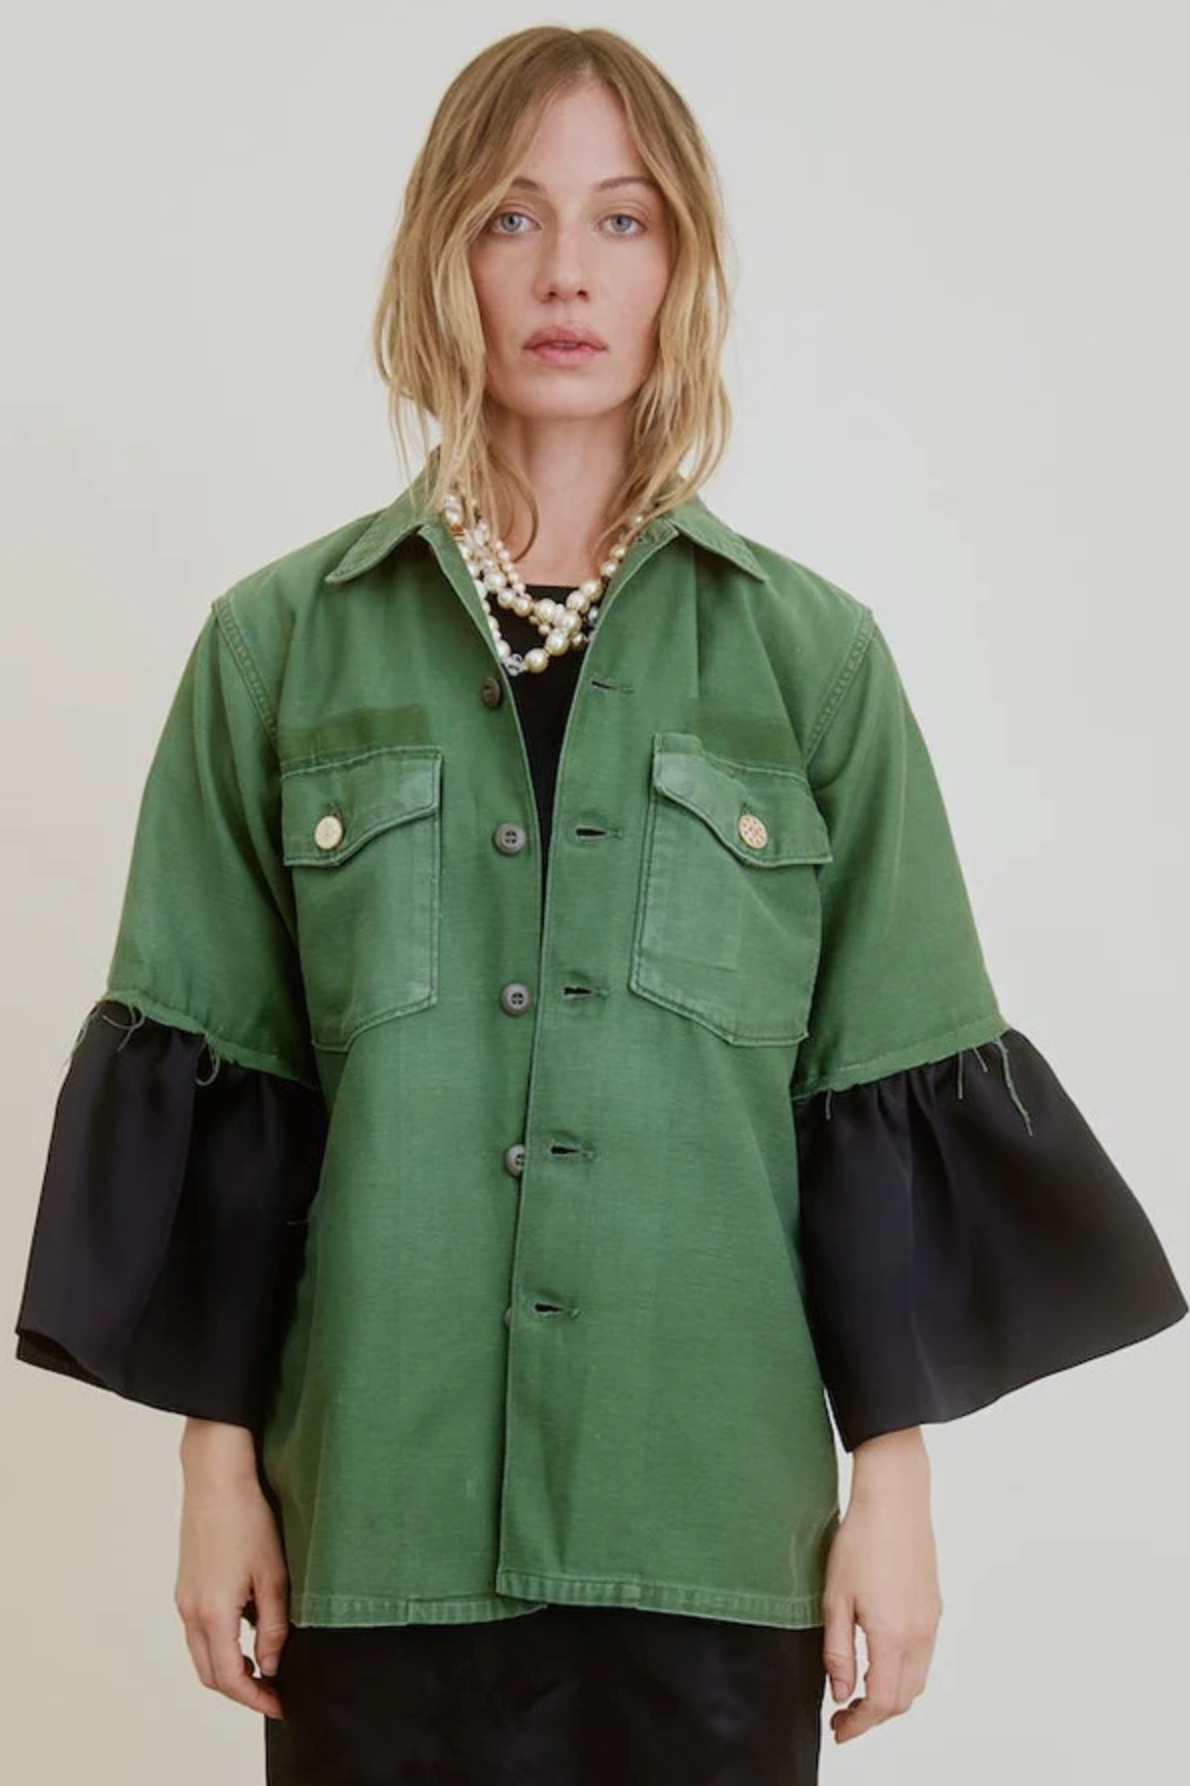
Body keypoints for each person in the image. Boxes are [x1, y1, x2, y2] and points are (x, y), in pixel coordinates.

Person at [13, 24, 1186, 1786]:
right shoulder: (279, 649)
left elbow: (870, 1088)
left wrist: (892, 1492)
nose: (566, 272)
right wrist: (214, 1472)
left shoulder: (810, 664)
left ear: (683, 265)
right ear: (441, 256)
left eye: (622, 222)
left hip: (708, 1531)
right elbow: (236, 1104)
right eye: (510, 217)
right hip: (378, 1537)